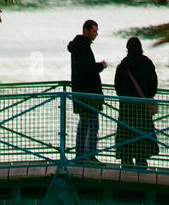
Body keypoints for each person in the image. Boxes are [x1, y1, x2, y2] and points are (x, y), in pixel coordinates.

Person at [114, 37, 159, 167]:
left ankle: (126, 161)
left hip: (126, 108)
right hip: (142, 107)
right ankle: (141, 161)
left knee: (126, 134)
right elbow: (153, 85)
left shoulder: (123, 65)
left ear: (127, 48)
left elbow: (118, 87)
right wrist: (148, 95)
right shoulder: (147, 63)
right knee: (142, 134)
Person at [68, 20, 106, 163]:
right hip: (88, 93)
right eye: (94, 31)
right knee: (93, 125)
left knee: (84, 124)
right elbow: (87, 68)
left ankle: (80, 155)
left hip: (80, 91)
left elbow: (83, 67)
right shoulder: (83, 47)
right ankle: (89, 156)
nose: (96, 34)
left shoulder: (78, 46)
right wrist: (100, 66)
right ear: (86, 30)